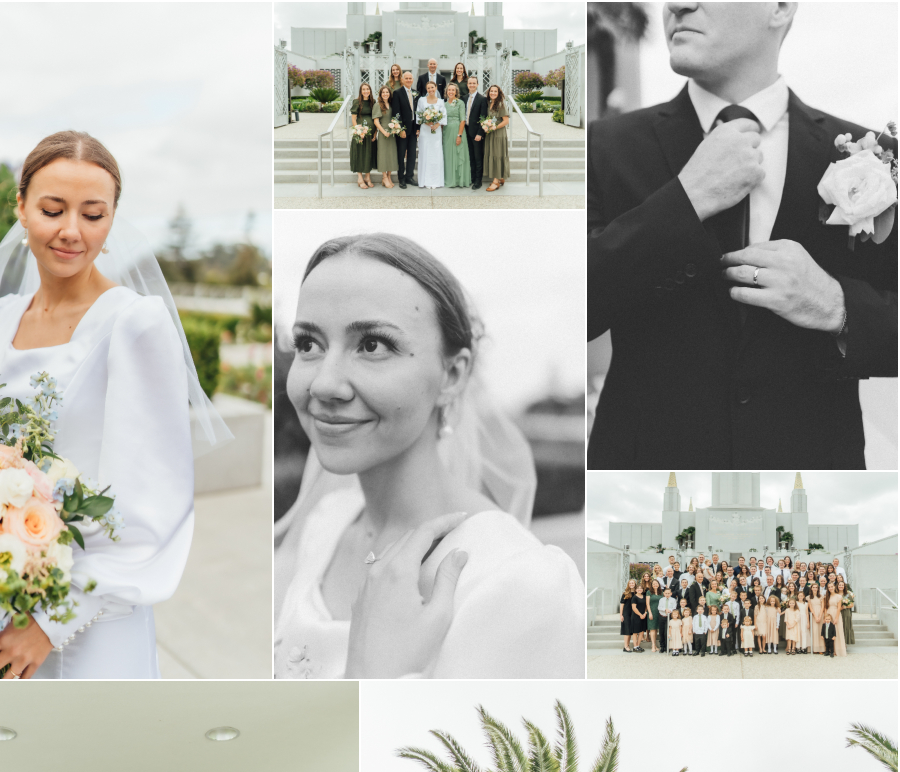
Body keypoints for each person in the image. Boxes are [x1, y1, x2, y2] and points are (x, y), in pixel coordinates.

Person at [0, 130, 226, 682]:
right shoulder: (3, 317)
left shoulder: (135, 324)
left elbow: (151, 504)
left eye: (93, 214)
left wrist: (49, 623)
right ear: (21, 209)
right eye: (52, 209)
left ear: (112, 219)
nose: (72, 231)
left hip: (92, 620)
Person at [587, 1, 897, 467]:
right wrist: (686, 200)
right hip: (650, 491)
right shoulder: (601, 148)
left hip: (810, 492)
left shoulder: (875, 160)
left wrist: (837, 305)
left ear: (779, 7)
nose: (677, 4)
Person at [275, 235, 585, 682]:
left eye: (372, 345)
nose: (324, 384)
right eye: (308, 344)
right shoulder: (328, 523)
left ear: (452, 376)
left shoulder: (521, 583)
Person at [416, 81, 447, 191]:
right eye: (428, 88)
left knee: (435, 154)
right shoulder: (421, 100)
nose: (430, 90)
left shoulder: (441, 101)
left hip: (436, 131)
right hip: (425, 130)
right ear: (426, 89)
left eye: (432, 87)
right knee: (425, 153)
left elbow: (443, 116)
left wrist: (437, 124)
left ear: (436, 88)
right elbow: (418, 115)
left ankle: (436, 180)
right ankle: (425, 180)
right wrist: (426, 122)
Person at [374, 85, 404, 189]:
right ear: (380, 94)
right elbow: (376, 121)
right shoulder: (378, 105)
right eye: (383, 93)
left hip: (392, 133)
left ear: (389, 94)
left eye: (387, 92)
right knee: (383, 155)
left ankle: (389, 176)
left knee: (391, 155)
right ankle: (384, 177)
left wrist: (395, 128)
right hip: (383, 133)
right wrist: (383, 132)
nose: (385, 94)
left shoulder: (391, 105)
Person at [481, 85, 509, 191]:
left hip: (498, 134)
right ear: (488, 93)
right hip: (490, 134)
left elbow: (506, 121)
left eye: (495, 91)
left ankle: (496, 182)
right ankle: (500, 177)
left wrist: (494, 127)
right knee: (492, 154)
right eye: (491, 91)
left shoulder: (501, 104)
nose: (493, 93)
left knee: (497, 155)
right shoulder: (488, 104)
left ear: (499, 93)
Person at [444, 78, 470, 186]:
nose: (451, 92)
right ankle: (450, 179)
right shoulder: (443, 104)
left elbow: (463, 120)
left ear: (456, 92)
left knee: (458, 154)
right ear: (446, 92)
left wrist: (459, 135)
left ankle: (459, 180)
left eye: (453, 90)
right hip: (446, 132)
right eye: (449, 90)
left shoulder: (460, 103)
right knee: (448, 155)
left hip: (457, 131)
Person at [350, 78, 375, 187]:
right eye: (363, 89)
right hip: (360, 132)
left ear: (370, 91)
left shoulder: (373, 102)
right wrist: (359, 131)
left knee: (369, 153)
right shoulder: (356, 102)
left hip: (370, 133)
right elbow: (354, 119)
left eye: (367, 89)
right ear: (361, 91)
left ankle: (368, 177)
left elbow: (375, 118)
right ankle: (360, 178)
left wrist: (375, 132)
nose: (366, 91)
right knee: (359, 153)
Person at [465, 75, 487, 188]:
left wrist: (480, 133)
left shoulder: (482, 99)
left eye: (474, 83)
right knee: (470, 157)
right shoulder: (464, 98)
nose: (472, 85)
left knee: (478, 157)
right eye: (470, 83)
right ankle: (472, 178)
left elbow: (483, 118)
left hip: (476, 133)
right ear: (467, 85)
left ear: (477, 84)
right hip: (466, 132)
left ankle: (478, 181)